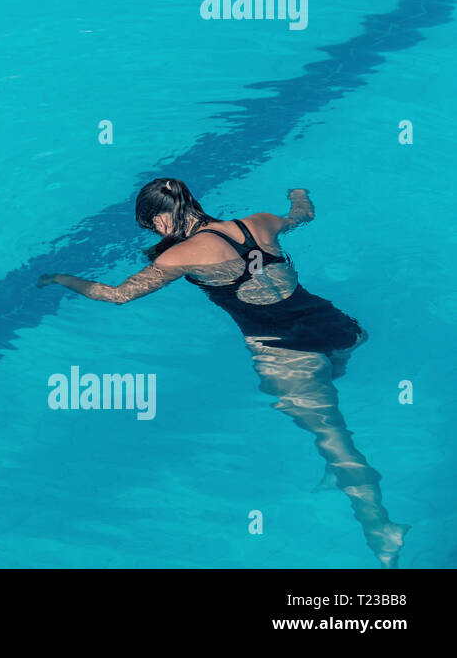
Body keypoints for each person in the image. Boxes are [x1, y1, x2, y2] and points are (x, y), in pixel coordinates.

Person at [37, 177, 409, 567]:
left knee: (335, 439)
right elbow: (302, 216)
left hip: (284, 347)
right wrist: (299, 195)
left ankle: (378, 522)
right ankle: (333, 440)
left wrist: (60, 279)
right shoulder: (259, 221)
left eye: (150, 225)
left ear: (162, 219)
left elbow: (117, 295)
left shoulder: (179, 256)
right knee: (320, 394)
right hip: (336, 325)